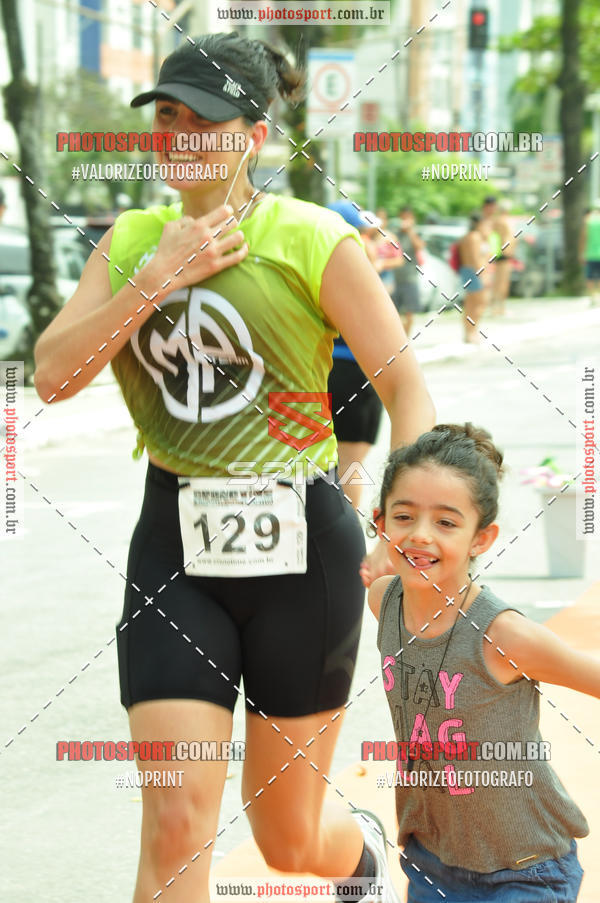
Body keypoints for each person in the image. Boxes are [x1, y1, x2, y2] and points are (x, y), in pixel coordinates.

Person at [33, 33, 435, 903]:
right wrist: (156, 278)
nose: (179, 136)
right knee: (176, 827)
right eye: (167, 117)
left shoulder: (312, 236)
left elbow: (407, 386)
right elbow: (53, 376)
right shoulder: (133, 238)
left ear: (254, 137)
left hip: (304, 556)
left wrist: (411, 514)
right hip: (174, 551)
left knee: (288, 839)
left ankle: (355, 862)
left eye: (204, 120)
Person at [367, 423, 594, 903]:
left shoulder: (500, 635)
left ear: (482, 538)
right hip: (432, 863)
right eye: (404, 516)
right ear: (381, 522)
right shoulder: (382, 601)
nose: (420, 536)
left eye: (447, 523)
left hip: (526, 870)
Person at [327, 201, 390, 510]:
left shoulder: (303, 262)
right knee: (350, 462)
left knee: (300, 465)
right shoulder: (356, 265)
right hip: (352, 370)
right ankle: (344, 546)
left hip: (305, 370)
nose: (370, 241)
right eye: (364, 233)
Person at [457, 213, 492, 343]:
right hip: (475, 272)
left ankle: (469, 332)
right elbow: (475, 258)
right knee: (480, 302)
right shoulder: (475, 237)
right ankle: (472, 331)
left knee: (470, 303)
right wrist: (483, 275)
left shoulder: (469, 237)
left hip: (468, 271)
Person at [390, 207, 424, 338]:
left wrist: (410, 230)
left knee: (410, 312)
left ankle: (406, 339)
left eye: (407, 218)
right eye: (402, 218)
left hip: (410, 277)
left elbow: (420, 246)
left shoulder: (415, 233)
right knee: (394, 313)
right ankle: (398, 338)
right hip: (395, 278)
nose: (404, 221)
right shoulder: (394, 233)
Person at [490, 199, 515, 316]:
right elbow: (507, 238)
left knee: (497, 282)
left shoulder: (496, 221)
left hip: (498, 253)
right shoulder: (505, 221)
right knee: (503, 282)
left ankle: (495, 308)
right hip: (505, 254)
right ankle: (500, 308)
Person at [579, 201, 600, 306]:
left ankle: (592, 296)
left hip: (590, 254)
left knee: (590, 276)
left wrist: (582, 253)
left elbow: (584, 237)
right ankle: (599, 295)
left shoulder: (588, 221)